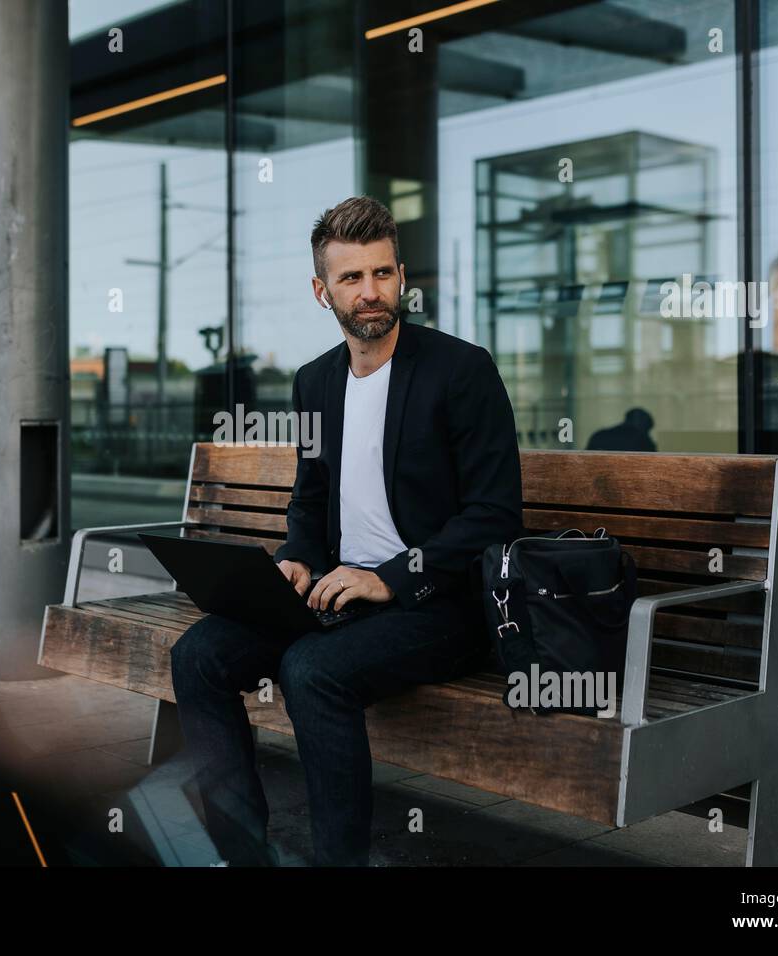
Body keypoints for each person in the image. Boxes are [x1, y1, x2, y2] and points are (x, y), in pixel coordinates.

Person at [169, 195, 524, 866]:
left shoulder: (460, 371)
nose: (370, 293)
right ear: (321, 290)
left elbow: (494, 516)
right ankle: (241, 852)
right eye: (352, 278)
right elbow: (309, 503)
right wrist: (297, 560)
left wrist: (387, 580)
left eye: (382, 274)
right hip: (334, 593)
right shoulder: (315, 382)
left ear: (401, 276)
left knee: (310, 671)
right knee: (198, 656)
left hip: (436, 605)